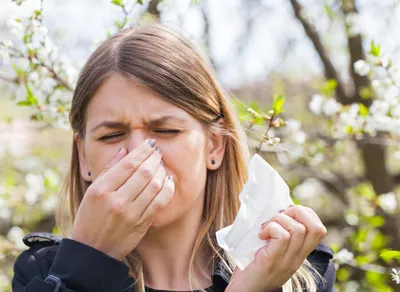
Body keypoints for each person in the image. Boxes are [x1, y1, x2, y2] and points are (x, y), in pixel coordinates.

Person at [12, 24, 335, 292]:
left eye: (166, 130)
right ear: (84, 157)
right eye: (111, 135)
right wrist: (88, 261)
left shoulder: (292, 271)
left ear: (215, 146)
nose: (140, 154)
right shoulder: (43, 272)